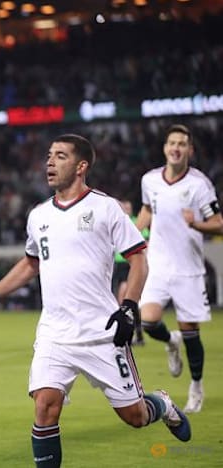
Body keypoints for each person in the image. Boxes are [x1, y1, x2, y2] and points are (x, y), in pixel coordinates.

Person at [0, 134, 190, 468]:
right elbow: (31, 263)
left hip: (101, 332)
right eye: (49, 155)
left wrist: (128, 307)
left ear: (81, 166)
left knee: (135, 416)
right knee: (45, 407)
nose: (50, 162)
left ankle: (162, 404)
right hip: (55, 333)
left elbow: (138, 258)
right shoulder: (38, 215)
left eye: (60, 156)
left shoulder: (105, 208)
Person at [135, 124, 222, 414]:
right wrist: (133, 234)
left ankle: (196, 386)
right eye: (172, 143)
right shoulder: (150, 180)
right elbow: (147, 210)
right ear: (165, 148)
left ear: (190, 150)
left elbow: (218, 223)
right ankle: (170, 341)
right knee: (148, 320)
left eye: (182, 144)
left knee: (190, 331)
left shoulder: (200, 184)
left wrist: (196, 224)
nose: (176, 148)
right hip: (158, 265)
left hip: (188, 269)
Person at [112, 199, 148, 345]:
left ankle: (131, 332)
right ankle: (137, 333)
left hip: (130, 265)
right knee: (123, 300)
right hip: (118, 265)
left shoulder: (136, 224)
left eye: (128, 208)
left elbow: (144, 243)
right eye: (124, 208)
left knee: (124, 298)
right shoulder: (115, 222)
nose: (126, 210)